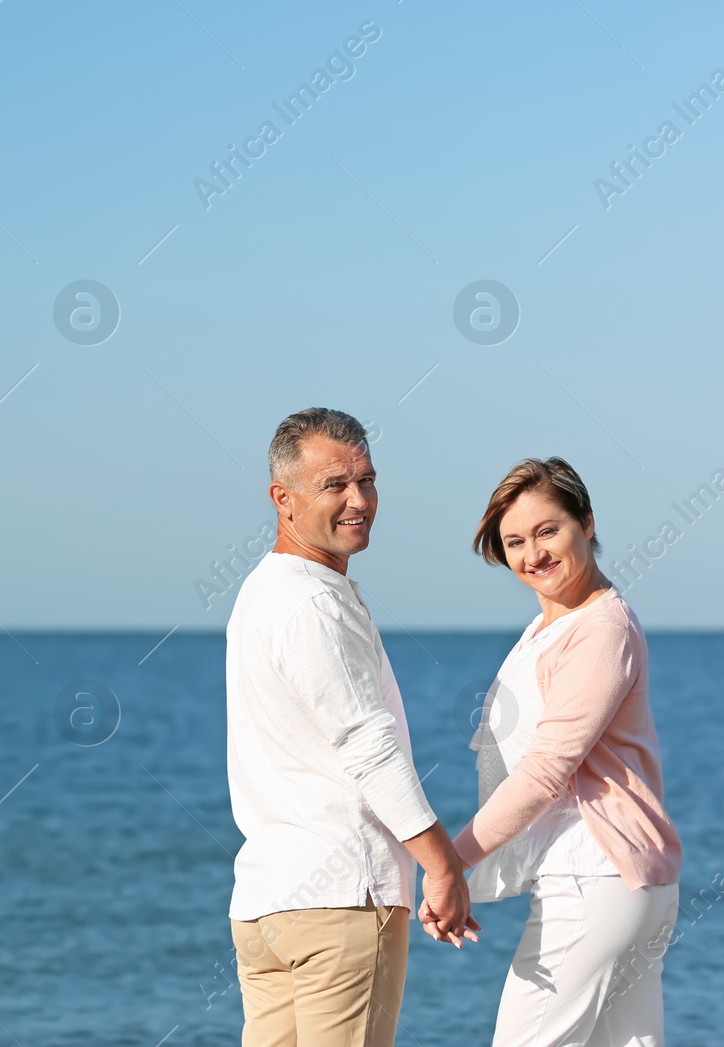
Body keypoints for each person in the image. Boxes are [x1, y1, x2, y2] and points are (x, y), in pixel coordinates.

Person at [226, 408, 478, 1047]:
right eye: (335, 484)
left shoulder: (261, 593)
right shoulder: (312, 602)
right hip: (339, 898)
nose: (358, 500)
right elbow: (369, 746)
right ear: (283, 499)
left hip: (267, 908)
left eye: (367, 480)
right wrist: (442, 865)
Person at [420, 457, 682, 1046]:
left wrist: (450, 864)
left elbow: (543, 773)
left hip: (597, 877)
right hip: (620, 882)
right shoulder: (551, 626)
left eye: (547, 531)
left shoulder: (600, 630)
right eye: (514, 541)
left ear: (586, 524)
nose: (532, 553)